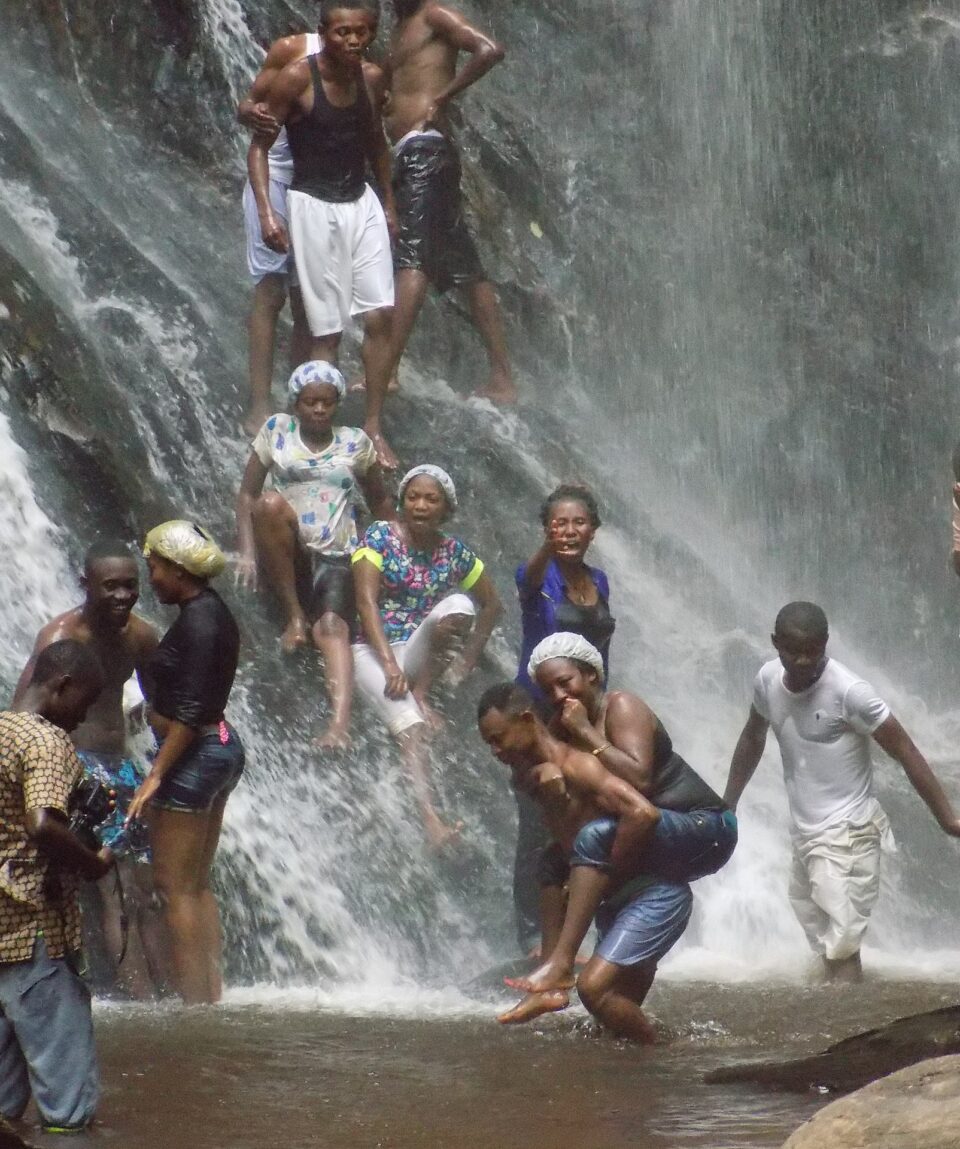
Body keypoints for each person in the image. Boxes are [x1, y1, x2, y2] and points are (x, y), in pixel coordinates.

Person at [498, 633, 735, 1021]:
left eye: (565, 682)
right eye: (548, 689)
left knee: (594, 839)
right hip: (653, 832)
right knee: (553, 862)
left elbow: (640, 780)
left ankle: (560, 964)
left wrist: (586, 734)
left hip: (705, 827)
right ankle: (561, 989)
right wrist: (545, 771)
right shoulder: (562, 726)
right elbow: (542, 781)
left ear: (591, 675)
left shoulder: (622, 706)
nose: (558, 696)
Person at [724, 601, 960, 981]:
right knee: (825, 942)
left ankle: (850, 1033)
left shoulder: (850, 691)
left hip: (849, 833)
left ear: (826, 644)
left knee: (842, 945)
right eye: (793, 651)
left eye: (813, 651)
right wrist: (728, 803)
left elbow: (905, 749)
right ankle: (842, 1020)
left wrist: (947, 818)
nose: (803, 661)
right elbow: (753, 736)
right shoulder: (767, 680)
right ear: (774, 643)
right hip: (805, 833)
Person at [478, 682, 696, 1042]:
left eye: (499, 738)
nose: (495, 750)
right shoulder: (531, 776)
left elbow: (643, 813)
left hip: (655, 897)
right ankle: (554, 982)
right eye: (489, 743)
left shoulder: (578, 766)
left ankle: (675, 1053)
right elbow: (566, 842)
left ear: (527, 720)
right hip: (623, 901)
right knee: (614, 1025)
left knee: (595, 992)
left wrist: (608, 876)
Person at [248, 0, 401, 469]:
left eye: (361, 32)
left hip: (361, 201)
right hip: (311, 205)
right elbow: (258, 149)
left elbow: (376, 142)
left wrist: (390, 205)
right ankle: (319, 434)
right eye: (342, 33)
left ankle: (373, 426)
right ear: (323, 32)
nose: (353, 41)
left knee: (379, 317)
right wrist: (268, 214)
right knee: (326, 331)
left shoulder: (372, 79)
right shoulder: (296, 78)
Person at [12, 540, 165, 1000]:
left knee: (143, 886)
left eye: (130, 586)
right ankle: (136, 995)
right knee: (109, 889)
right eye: (110, 586)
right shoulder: (61, 638)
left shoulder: (140, 637)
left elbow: (166, 702)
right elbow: (25, 707)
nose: (122, 596)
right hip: (72, 766)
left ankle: (165, 996)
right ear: (86, 586)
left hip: (120, 768)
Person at [236, 360, 392, 745]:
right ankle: (293, 616)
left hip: (338, 551)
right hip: (288, 549)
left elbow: (380, 503)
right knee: (270, 504)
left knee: (334, 628)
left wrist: (389, 558)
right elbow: (247, 495)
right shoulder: (276, 430)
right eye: (310, 402)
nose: (319, 409)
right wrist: (246, 550)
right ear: (296, 403)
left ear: (337, 403)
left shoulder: (355, 443)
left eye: (326, 402)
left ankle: (339, 726)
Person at [352, 464, 502, 847]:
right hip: (371, 649)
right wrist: (387, 665)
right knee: (411, 725)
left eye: (431, 499)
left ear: (445, 508)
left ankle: (421, 692)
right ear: (401, 501)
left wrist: (467, 660)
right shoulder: (381, 536)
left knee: (459, 605)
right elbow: (366, 601)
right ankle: (432, 822)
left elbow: (491, 605)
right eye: (413, 497)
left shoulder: (454, 553)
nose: (420, 505)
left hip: (415, 649)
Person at [127, 521, 244, 1005]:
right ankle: (209, 996)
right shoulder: (212, 611)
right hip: (221, 747)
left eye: (154, 568)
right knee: (195, 887)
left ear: (178, 570)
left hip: (194, 754)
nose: (150, 578)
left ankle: (197, 1006)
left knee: (173, 889)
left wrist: (155, 775)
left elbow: (190, 714)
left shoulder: (197, 621)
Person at [0, 640, 113, 1134]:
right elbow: (44, 824)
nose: (83, 717)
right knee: (67, 1108)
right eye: (84, 703)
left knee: (3, 1103)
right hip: (37, 930)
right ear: (62, 686)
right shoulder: (45, 742)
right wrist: (92, 862)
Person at [382, 0, 514, 403]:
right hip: (414, 151)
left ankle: (385, 372)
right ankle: (502, 379)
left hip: (426, 151)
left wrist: (441, 99)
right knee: (466, 268)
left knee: (413, 258)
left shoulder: (434, 15)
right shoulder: (400, 25)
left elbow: (489, 50)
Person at [513, 483, 615, 953]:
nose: (569, 531)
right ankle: (535, 934)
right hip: (539, 720)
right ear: (547, 530)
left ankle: (585, 931)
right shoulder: (536, 577)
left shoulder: (601, 582)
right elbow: (529, 582)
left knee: (588, 820)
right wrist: (545, 550)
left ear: (593, 529)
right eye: (559, 523)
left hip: (585, 718)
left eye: (578, 522)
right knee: (538, 825)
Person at [237, 28, 320, 435]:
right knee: (271, 290)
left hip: (319, 189)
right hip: (273, 176)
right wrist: (245, 109)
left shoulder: (367, 66)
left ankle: (299, 401)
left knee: (307, 299)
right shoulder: (293, 50)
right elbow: (251, 105)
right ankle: (259, 404)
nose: (354, 39)